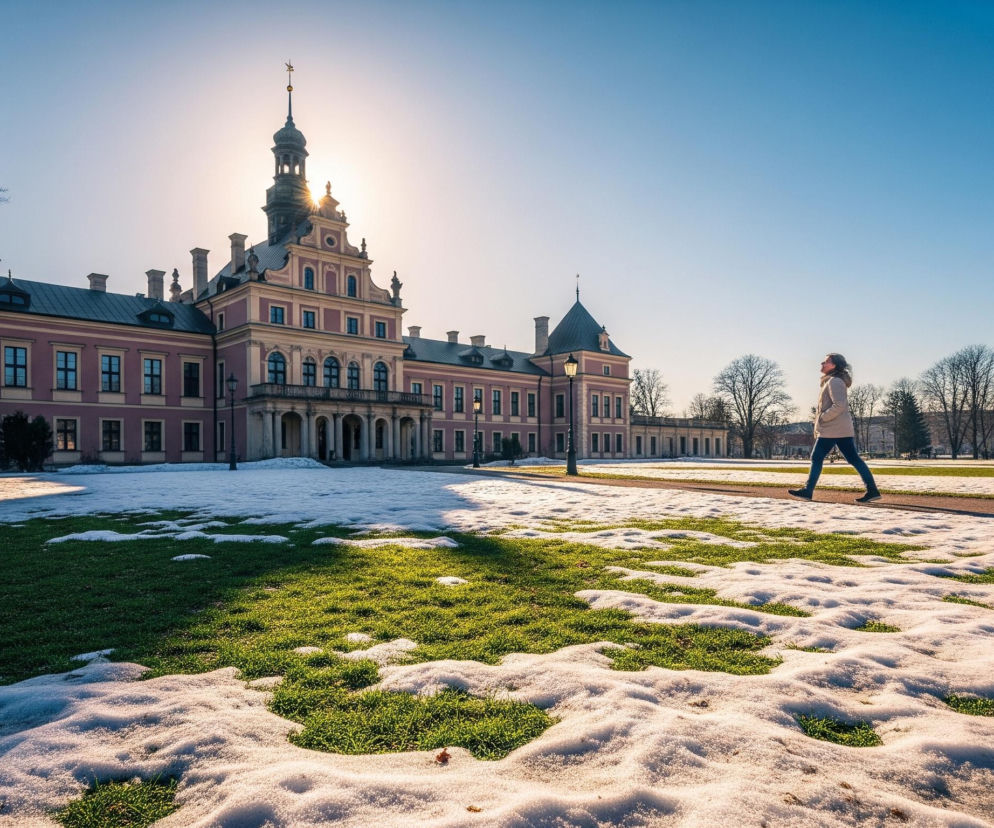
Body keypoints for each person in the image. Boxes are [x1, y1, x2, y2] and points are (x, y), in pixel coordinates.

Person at [788, 353, 881, 504]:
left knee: (817, 457)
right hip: (839, 429)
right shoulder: (832, 381)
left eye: (826, 361)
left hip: (832, 429)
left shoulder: (835, 382)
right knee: (854, 459)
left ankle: (808, 490)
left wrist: (823, 417)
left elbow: (840, 405)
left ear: (834, 365)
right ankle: (872, 490)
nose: (822, 363)